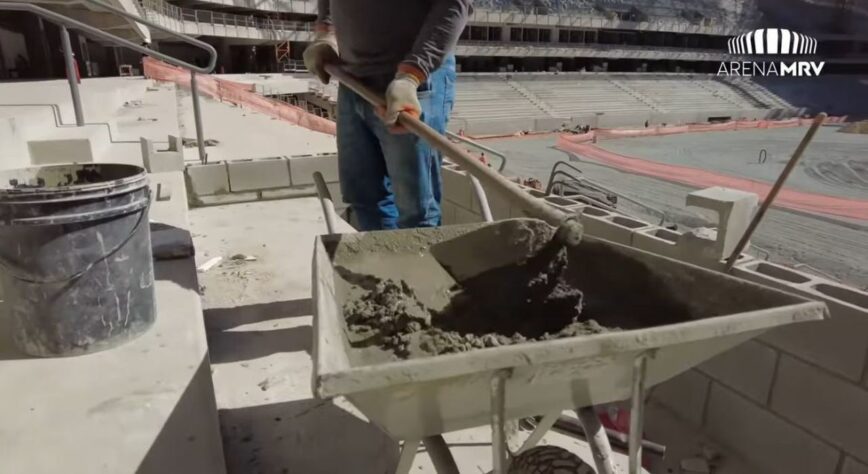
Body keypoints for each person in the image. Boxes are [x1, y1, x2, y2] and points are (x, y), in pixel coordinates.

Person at [303, 0, 471, 230]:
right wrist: (327, 31)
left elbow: (453, 4)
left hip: (411, 81)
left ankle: (415, 266)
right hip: (353, 79)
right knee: (364, 197)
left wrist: (412, 74)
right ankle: (383, 263)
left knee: (416, 211)